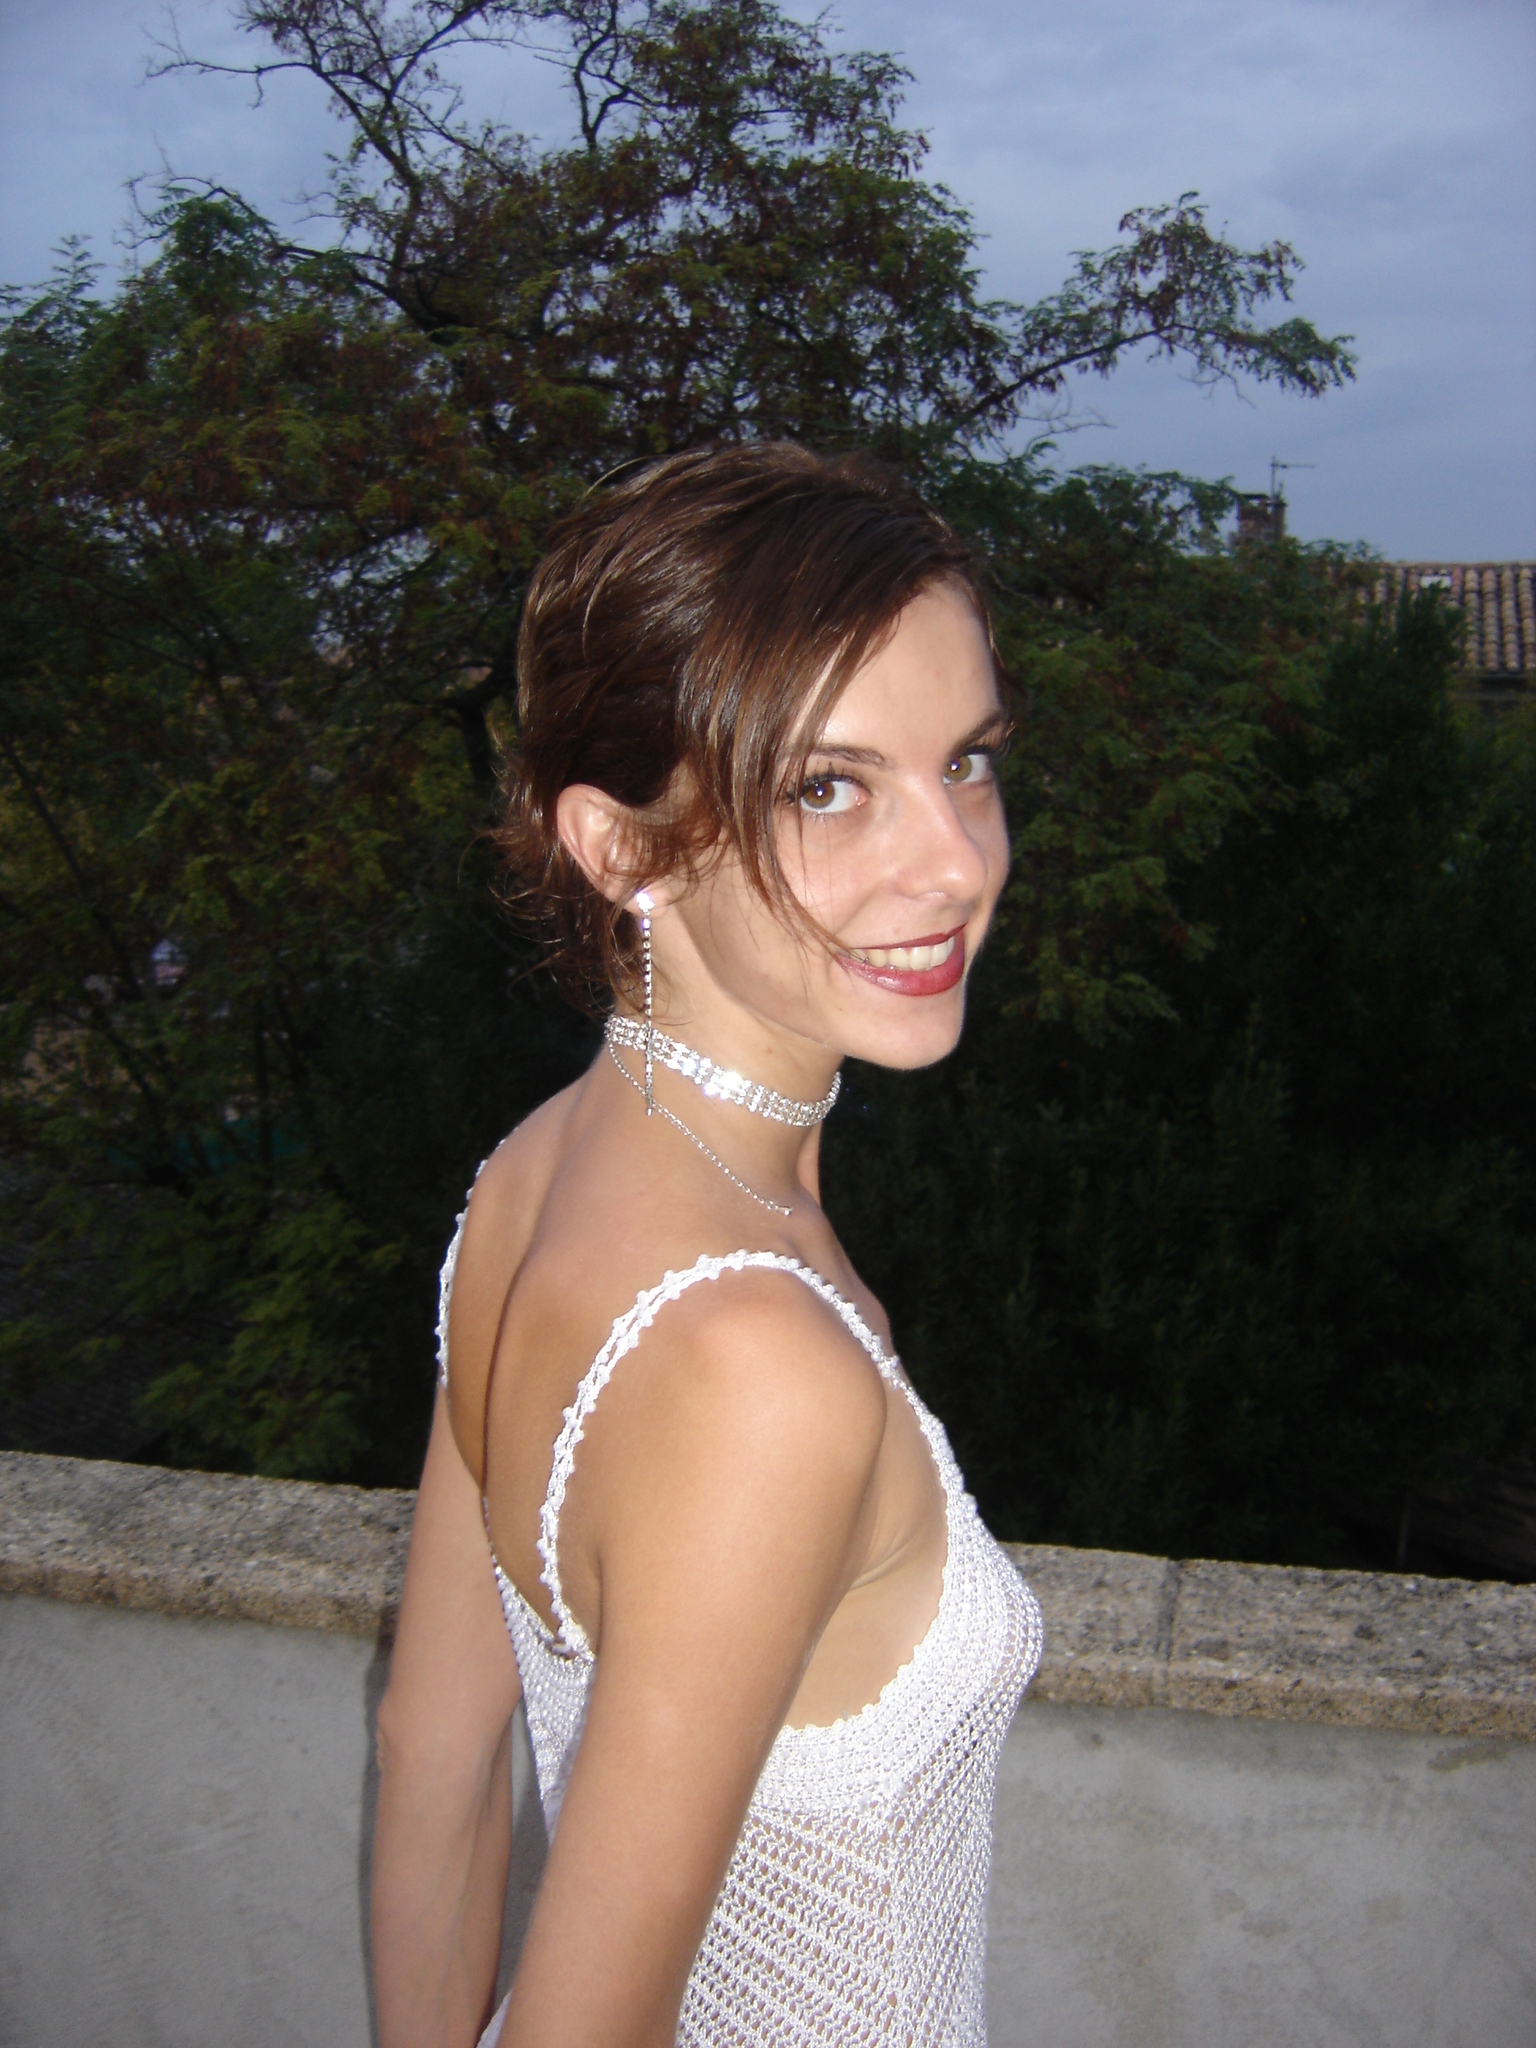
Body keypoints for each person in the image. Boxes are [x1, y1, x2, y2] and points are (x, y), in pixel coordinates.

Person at [370, 442, 1043, 2048]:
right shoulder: (758, 1367)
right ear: (620, 847)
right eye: (828, 787)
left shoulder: (530, 1179)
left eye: (965, 760)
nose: (958, 860)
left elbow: (429, 1756)